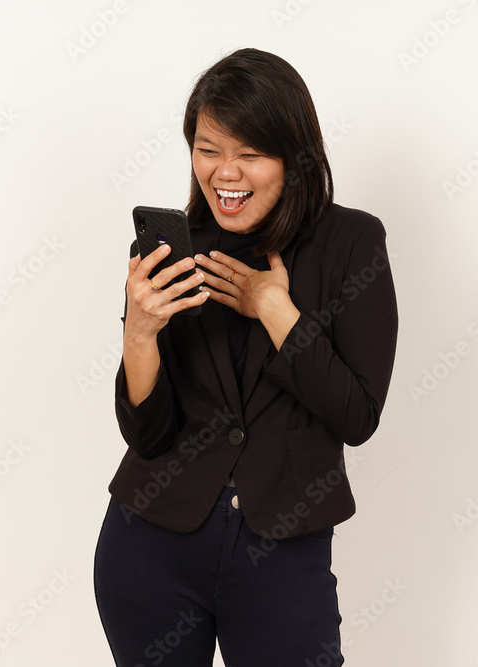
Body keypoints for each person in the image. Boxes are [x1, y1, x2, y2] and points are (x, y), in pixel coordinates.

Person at [94, 47, 397, 666]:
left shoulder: (352, 243)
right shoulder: (175, 249)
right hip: (149, 547)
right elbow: (148, 437)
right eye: (208, 149)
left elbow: (357, 416)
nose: (225, 174)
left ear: (295, 156)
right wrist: (140, 333)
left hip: (280, 554)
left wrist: (274, 309)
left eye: (250, 154)